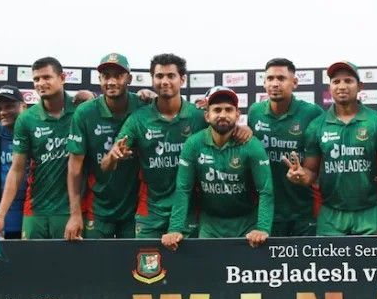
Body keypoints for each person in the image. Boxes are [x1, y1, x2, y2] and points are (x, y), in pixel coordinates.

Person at [287, 61, 377, 236]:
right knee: (329, 264)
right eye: (336, 82)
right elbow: (311, 171)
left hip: (371, 212)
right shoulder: (317, 126)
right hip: (330, 215)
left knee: (376, 264)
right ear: (330, 87)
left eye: (348, 81)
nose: (342, 86)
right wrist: (301, 176)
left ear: (360, 86)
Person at [163, 87, 273, 247]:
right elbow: (183, 189)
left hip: (247, 223)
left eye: (228, 110)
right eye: (217, 110)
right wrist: (175, 229)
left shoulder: (252, 145)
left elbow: (266, 190)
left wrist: (262, 229)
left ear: (237, 115)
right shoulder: (193, 144)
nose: (222, 115)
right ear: (207, 116)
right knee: (208, 271)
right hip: (210, 224)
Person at [110, 53, 205, 239]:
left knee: (191, 268)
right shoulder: (139, 118)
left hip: (188, 210)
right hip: (150, 212)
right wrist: (113, 157)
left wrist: (242, 131)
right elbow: (109, 162)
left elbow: (227, 134)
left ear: (182, 79)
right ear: (152, 79)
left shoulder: (198, 116)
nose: (165, 81)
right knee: (145, 268)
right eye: (159, 76)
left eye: (171, 76)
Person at [0, 58, 75, 240]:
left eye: (46, 77)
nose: (41, 83)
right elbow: (16, 170)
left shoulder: (82, 110)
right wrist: (0, 215)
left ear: (62, 78)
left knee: (70, 268)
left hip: (71, 211)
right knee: (30, 267)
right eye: (36, 79)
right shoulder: (26, 120)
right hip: (35, 209)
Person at [65, 53, 144, 239]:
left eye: (118, 75)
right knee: (96, 266)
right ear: (99, 79)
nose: (111, 81)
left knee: (134, 267)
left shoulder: (143, 106)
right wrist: (75, 214)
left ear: (129, 79)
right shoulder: (85, 113)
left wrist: (152, 95)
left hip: (135, 208)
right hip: (98, 207)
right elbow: (74, 168)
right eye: (106, 76)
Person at [247, 58, 324, 237]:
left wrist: (305, 174)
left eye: (281, 78)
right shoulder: (254, 112)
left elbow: (324, 158)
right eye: (270, 78)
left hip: (304, 210)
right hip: (267, 211)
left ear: (294, 82)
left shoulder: (312, 113)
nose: (275, 83)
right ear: (264, 83)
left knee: (305, 264)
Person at [0, 85, 27, 239]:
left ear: (23, 106)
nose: (3, 112)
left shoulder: (36, 128)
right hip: (9, 207)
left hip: (36, 206)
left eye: (9, 106)